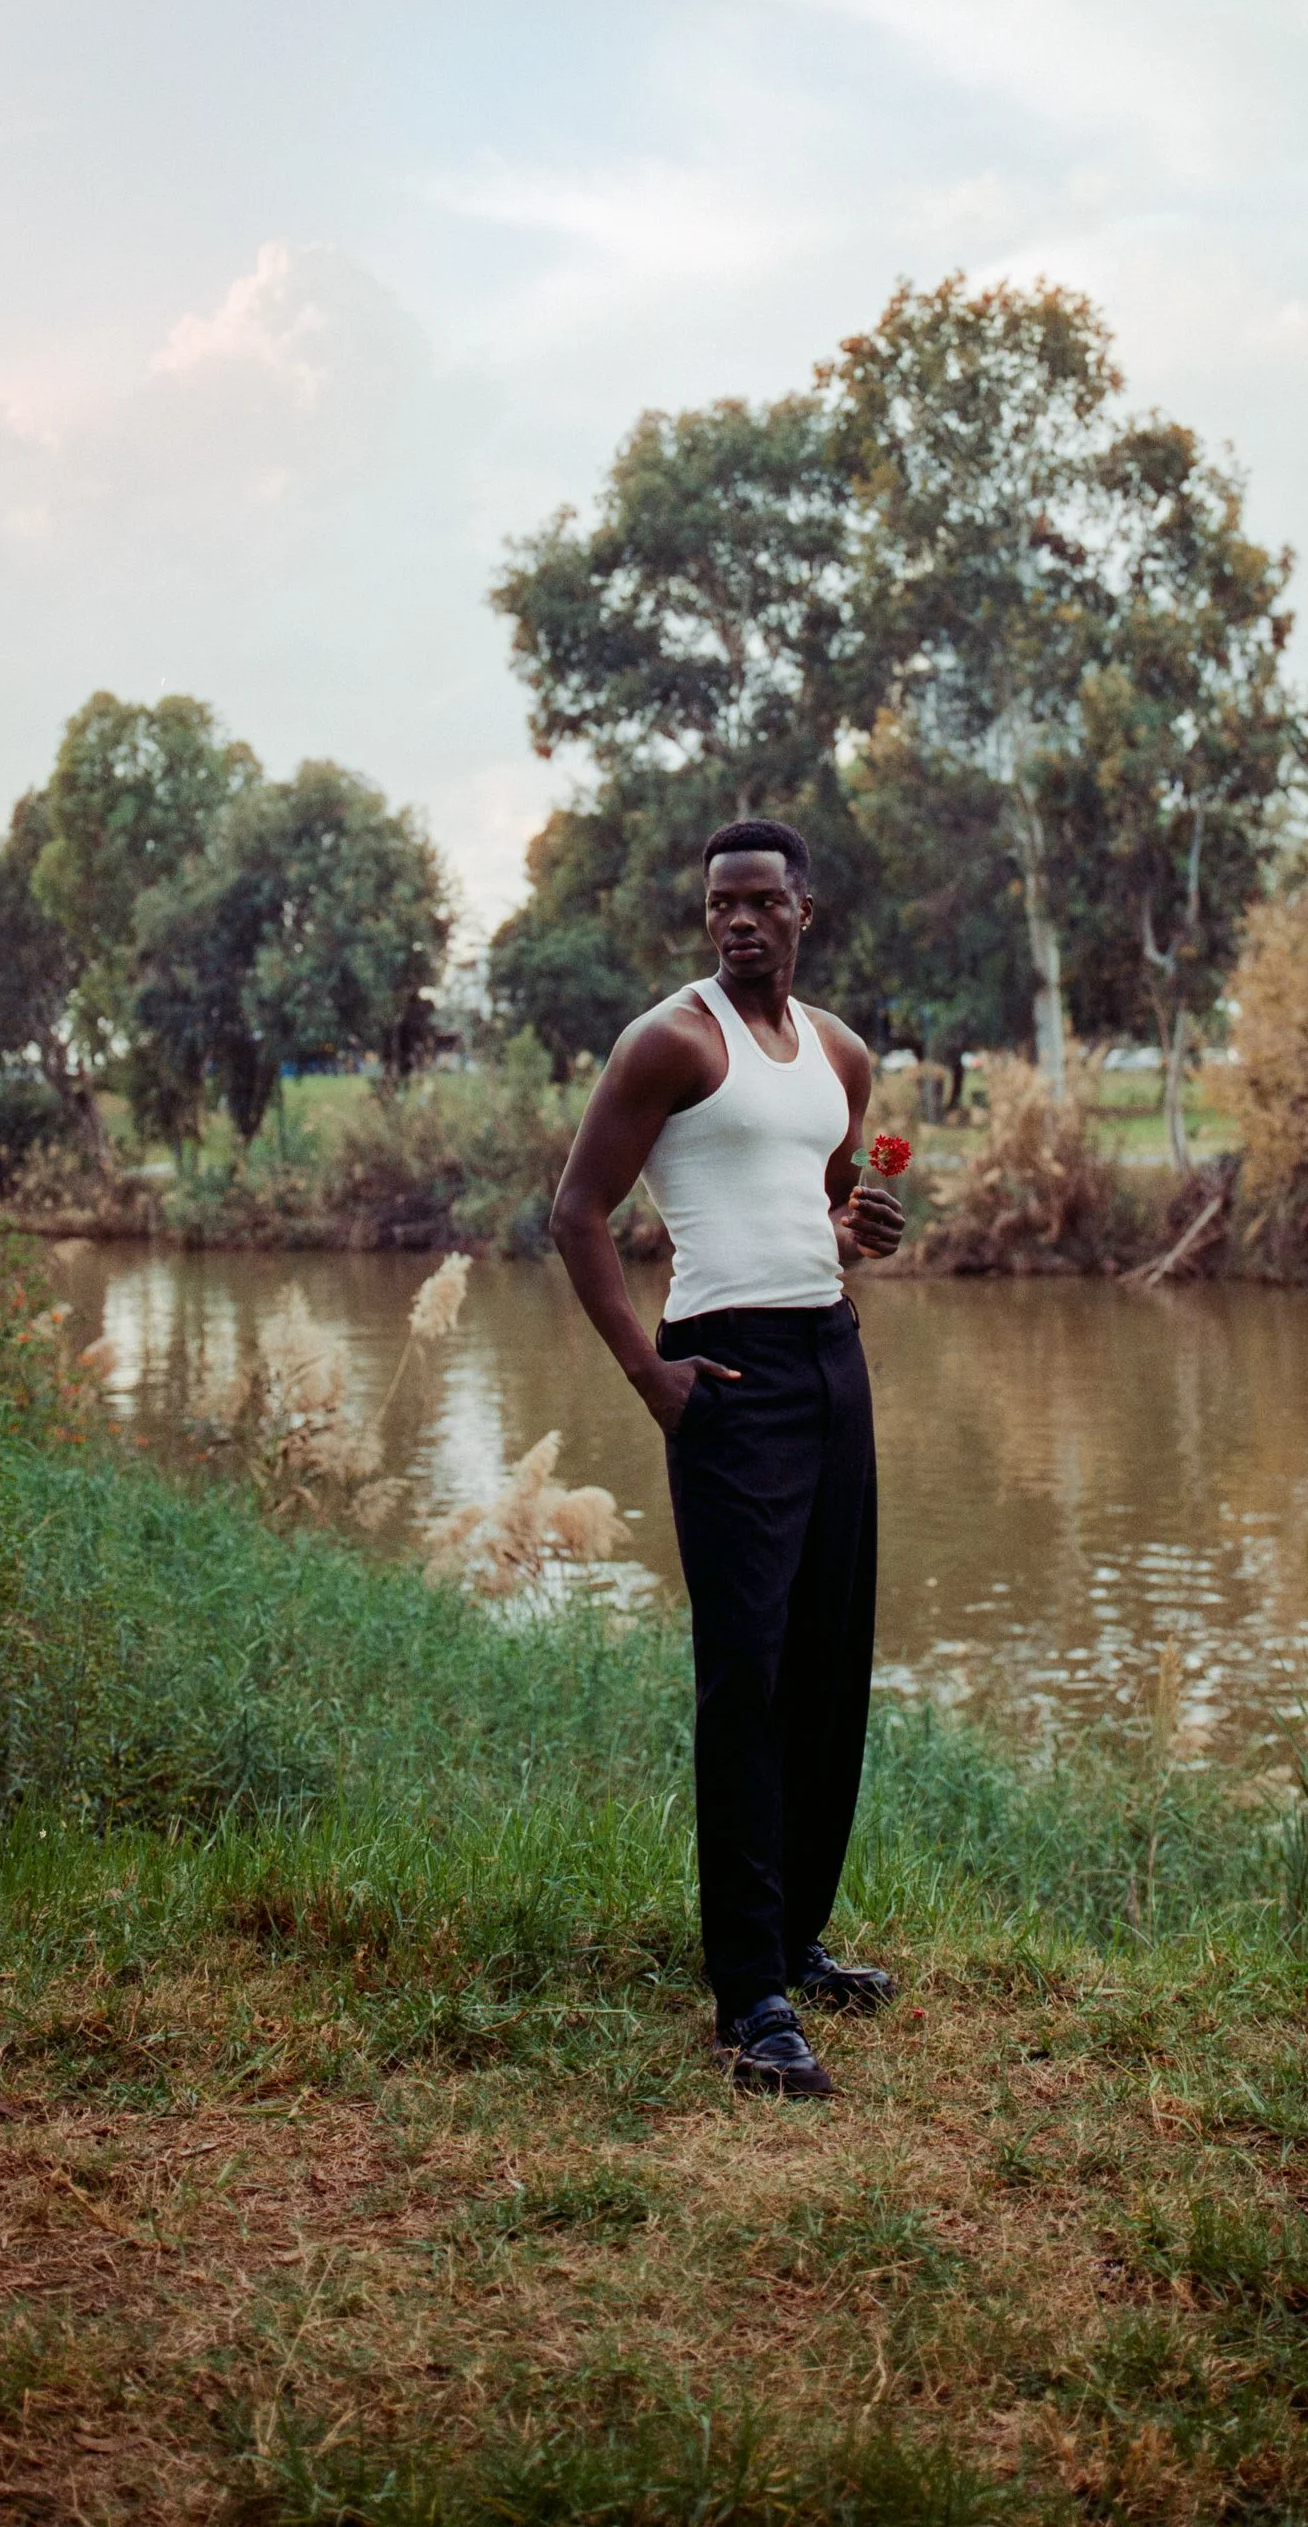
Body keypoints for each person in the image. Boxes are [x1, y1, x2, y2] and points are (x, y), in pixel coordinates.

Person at [547, 817, 904, 2098]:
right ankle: (747, 1997)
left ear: (803, 909)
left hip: (829, 1358)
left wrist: (857, 1224)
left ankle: (796, 1939)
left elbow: (822, 1199)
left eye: (761, 902)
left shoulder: (839, 1053)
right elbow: (575, 1210)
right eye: (719, 904)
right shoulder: (668, 1039)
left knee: (825, 1665)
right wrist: (650, 1376)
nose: (738, 921)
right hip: (726, 1374)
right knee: (744, 1682)